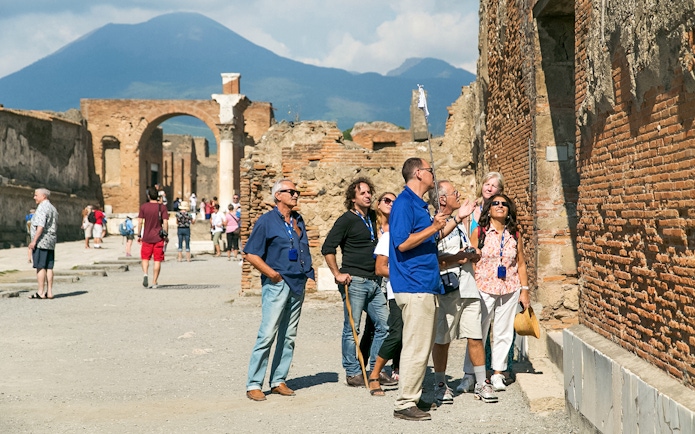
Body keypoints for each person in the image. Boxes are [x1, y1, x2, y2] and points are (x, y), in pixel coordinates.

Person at [388, 157, 466, 421]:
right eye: (430, 170)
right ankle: (404, 403)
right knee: (416, 346)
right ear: (418, 173)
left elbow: (432, 237)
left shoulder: (418, 205)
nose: (434, 174)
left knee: (421, 345)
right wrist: (433, 225)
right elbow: (402, 243)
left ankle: (414, 394)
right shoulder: (403, 204)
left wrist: (454, 219)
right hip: (413, 284)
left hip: (424, 284)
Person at [244, 179, 315, 401]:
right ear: (278, 196)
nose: (296, 195)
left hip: (297, 283)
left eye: (297, 191)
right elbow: (250, 253)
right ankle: (254, 383)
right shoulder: (266, 221)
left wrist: (307, 274)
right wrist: (271, 274)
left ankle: (278, 380)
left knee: (289, 335)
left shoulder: (298, 220)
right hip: (277, 284)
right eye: (291, 191)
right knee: (267, 334)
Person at [430, 180, 498, 404]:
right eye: (454, 193)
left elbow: (464, 249)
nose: (458, 196)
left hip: (468, 286)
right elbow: (431, 256)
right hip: (447, 288)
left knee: (475, 336)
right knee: (443, 338)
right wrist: (455, 258)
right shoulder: (433, 223)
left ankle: (481, 383)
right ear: (442, 200)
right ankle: (440, 384)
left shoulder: (457, 223)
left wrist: (473, 253)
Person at [322, 177, 392, 388]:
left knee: (385, 326)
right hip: (355, 281)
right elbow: (327, 248)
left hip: (374, 281)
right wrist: (337, 274)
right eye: (363, 193)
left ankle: (374, 370)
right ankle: (353, 372)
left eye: (370, 192)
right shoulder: (346, 220)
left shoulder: (372, 217)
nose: (368, 196)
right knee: (353, 329)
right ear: (353, 198)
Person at [469, 193, 530, 392]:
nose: (500, 206)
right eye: (495, 203)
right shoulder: (480, 232)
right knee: (478, 332)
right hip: (483, 287)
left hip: (509, 288)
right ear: (488, 208)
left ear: (509, 210)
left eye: (504, 204)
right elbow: (470, 260)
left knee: (504, 332)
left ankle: (497, 373)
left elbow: (520, 263)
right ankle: (470, 374)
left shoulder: (515, 234)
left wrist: (525, 290)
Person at [365, 192, 402, 396]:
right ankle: (375, 373)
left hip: (417, 291)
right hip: (396, 291)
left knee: (413, 336)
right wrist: (404, 273)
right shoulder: (388, 236)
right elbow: (380, 269)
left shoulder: (416, 234)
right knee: (395, 332)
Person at [27, 188, 58, 299]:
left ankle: (40, 292)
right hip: (51, 241)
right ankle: (49, 292)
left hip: (41, 241)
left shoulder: (42, 208)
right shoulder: (53, 208)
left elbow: (40, 226)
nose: (34, 197)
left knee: (40, 267)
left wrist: (34, 241)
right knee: (49, 267)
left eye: (36, 195)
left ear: (43, 196)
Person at [137, 188, 169, 289]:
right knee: (157, 260)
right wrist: (166, 235)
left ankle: (145, 273)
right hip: (158, 237)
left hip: (146, 237)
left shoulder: (144, 207)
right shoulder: (162, 207)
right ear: (158, 196)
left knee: (145, 258)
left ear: (148, 196)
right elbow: (165, 222)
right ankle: (154, 281)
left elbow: (140, 222)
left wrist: (139, 234)